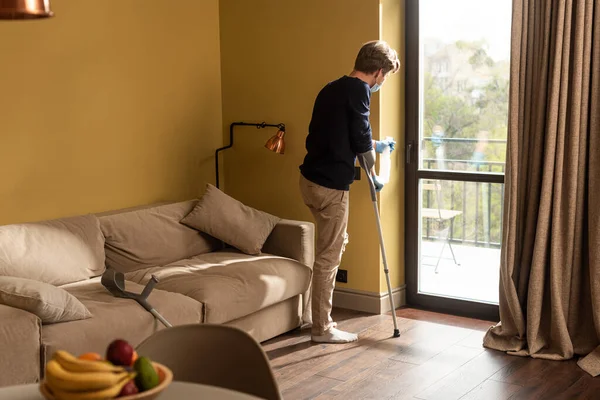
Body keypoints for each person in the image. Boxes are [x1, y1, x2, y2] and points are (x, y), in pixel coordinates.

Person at [298, 40, 400, 343]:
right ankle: (322, 328)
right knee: (328, 258)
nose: (382, 83)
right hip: (331, 188)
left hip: (309, 181)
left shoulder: (332, 88)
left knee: (335, 243)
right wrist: (375, 171)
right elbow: (359, 136)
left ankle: (314, 316)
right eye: (385, 77)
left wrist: (376, 146)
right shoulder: (360, 91)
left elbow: (343, 133)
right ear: (378, 72)